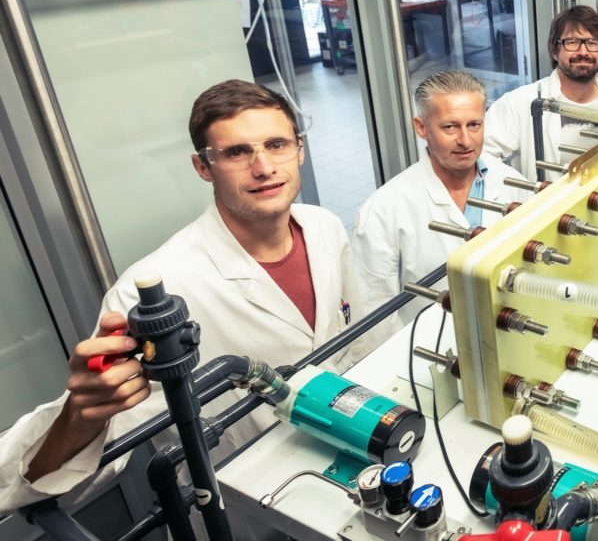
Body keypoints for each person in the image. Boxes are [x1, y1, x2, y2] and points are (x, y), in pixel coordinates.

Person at [0, 80, 363, 513]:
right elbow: (95, 437)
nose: (264, 167)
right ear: (202, 167)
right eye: (236, 152)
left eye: (276, 143)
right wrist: (83, 413)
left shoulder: (324, 227)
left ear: (299, 150)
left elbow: (360, 336)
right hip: (249, 506)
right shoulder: (152, 290)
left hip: (353, 456)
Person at [354, 71, 528, 331]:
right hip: (426, 348)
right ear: (421, 127)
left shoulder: (512, 184)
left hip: (506, 331)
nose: (465, 140)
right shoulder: (384, 208)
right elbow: (374, 308)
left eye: (474, 125)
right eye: (450, 127)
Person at [484, 6, 598, 181]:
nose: (583, 52)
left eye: (592, 43)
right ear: (554, 51)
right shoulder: (519, 102)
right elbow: (481, 156)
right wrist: (519, 191)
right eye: (572, 42)